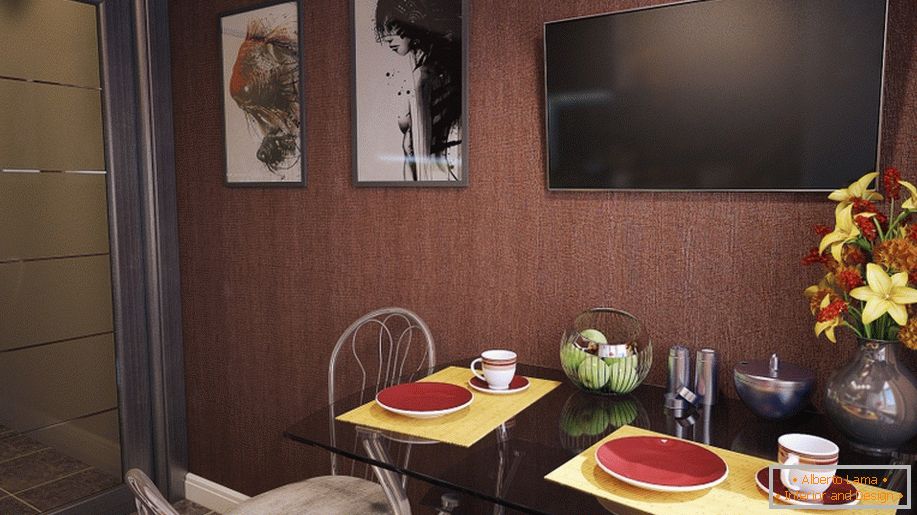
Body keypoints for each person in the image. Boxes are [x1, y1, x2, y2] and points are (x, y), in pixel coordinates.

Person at [374, 0, 462, 181]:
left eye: (393, 26)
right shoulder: (431, 72)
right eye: (385, 29)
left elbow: (423, 160)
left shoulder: (423, 78)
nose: (388, 37)